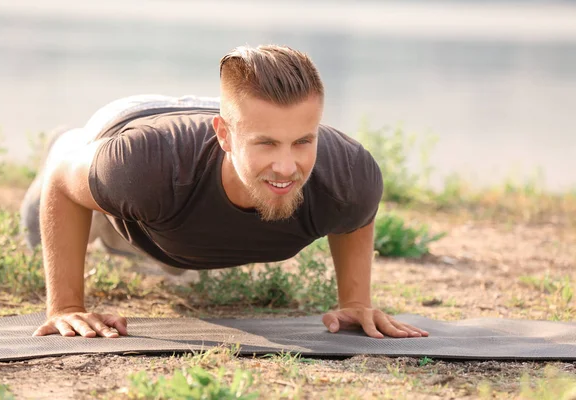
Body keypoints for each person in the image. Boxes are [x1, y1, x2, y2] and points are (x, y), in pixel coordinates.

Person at [23, 44, 429, 339]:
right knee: (39, 227)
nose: (288, 166)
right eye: (267, 144)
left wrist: (356, 301)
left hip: (203, 158)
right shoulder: (143, 166)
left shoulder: (349, 173)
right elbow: (62, 182)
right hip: (131, 129)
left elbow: (355, 211)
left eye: (303, 141)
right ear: (225, 137)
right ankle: (69, 140)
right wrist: (67, 307)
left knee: (178, 263)